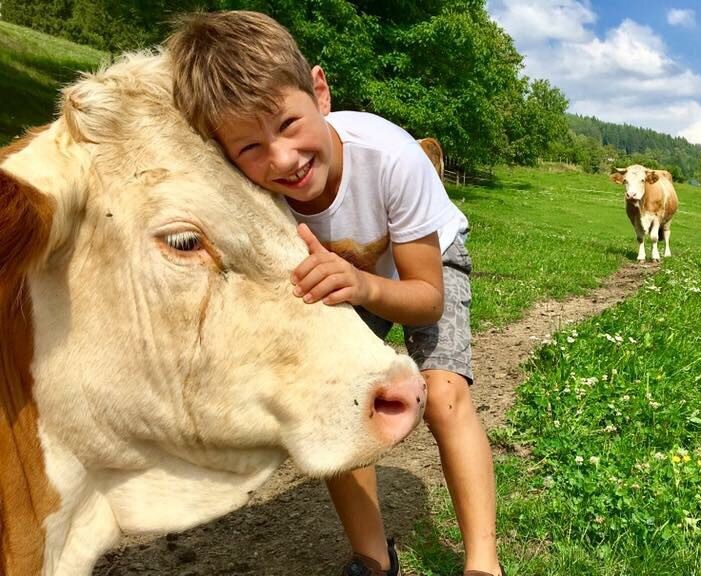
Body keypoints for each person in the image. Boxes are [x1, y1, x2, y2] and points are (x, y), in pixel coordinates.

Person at [166, 10, 504, 576]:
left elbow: (428, 298)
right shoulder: (251, 193)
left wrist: (367, 284)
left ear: (319, 92)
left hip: (423, 264)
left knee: (444, 399)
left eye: (287, 124)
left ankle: (483, 561)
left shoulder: (393, 158)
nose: (281, 159)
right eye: (248, 148)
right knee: (338, 399)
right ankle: (372, 558)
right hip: (339, 277)